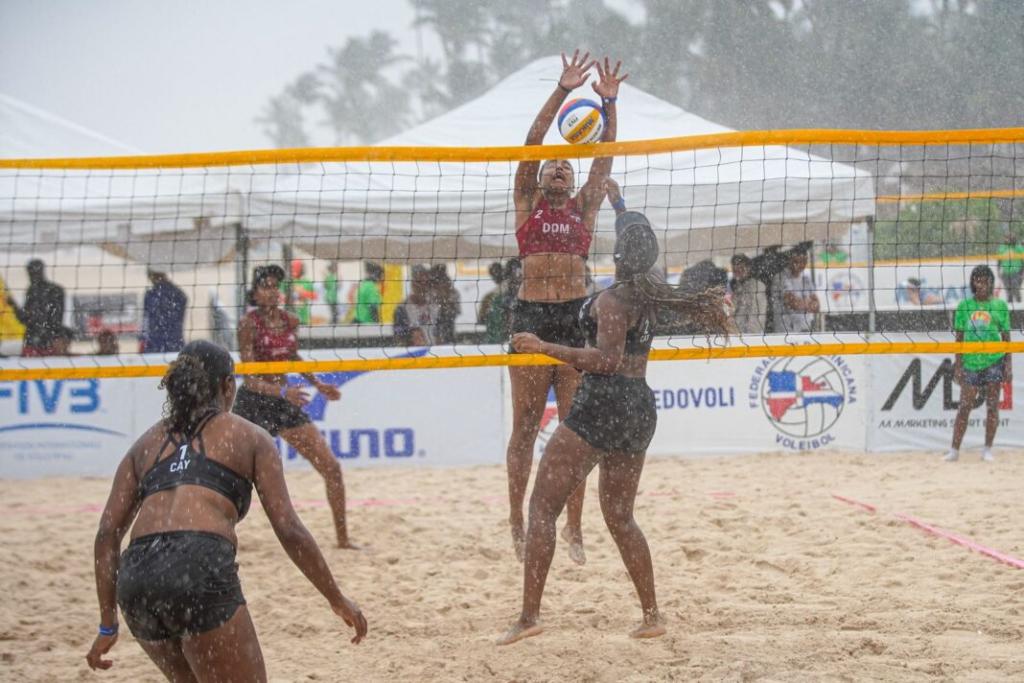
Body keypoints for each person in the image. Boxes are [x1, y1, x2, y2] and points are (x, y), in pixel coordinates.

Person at [498, 213, 729, 646]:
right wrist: (619, 202)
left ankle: (529, 617)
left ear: (619, 256)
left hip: (604, 403)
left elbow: (605, 361)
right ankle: (651, 615)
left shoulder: (611, 302)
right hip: (640, 406)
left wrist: (545, 347)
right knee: (621, 517)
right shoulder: (652, 294)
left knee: (542, 508)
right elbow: (636, 237)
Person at [85, 341, 366, 680]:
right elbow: (288, 528)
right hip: (196, 563)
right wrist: (336, 598)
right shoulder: (248, 435)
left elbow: (106, 535)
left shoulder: (144, 444)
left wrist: (107, 624)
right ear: (228, 386)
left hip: (138, 578)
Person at [505, 51, 627, 566]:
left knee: (575, 429)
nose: (557, 167)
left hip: (576, 318)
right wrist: (560, 89)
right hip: (532, 316)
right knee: (526, 428)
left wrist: (608, 102)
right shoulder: (526, 202)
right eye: (553, 165)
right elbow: (533, 143)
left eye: (565, 165)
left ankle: (574, 526)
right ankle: (516, 518)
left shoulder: (584, 207)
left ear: (572, 180)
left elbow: (606, 156)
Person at [233, 265, 355, 548]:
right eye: (266, 286)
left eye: (276, 286)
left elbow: (293, 356)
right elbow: (249, 379)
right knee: (233, 477)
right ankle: (218, 534)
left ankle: (343, 540)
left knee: (331, 468)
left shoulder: (290, 320)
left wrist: (318, 384)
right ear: (256, 293)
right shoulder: (248, 324)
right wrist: (283, 390)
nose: (273, 291)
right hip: (253, 403)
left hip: (282, 400)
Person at [945, 265, 1011, 463]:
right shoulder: (964, 306)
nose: (981, 284)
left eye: (985, 280)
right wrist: (958, 365)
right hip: (971, 362)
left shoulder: (999, 306)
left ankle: (987, 449)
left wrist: (1008, 365)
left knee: (992, 406)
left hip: (993, 360)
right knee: (965, 406)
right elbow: (959, 338)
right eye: (978, 280)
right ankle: (954, 451)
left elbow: (1007, 339)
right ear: (973, 283)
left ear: (991, 283)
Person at [8, 258, 65, 356]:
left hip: (40, 341)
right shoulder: (53, 289)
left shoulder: (42, 291)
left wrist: (13, 305)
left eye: (32, 272)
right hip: (44, 339)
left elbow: (26, 319)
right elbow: (27, 318)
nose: (31, 276)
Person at [140, 269, 187, 353]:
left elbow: (145, 322)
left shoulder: (151, 295)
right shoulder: (178, 294)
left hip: (155, 344)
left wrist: (142, 340)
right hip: (174, 343)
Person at [772, 248, 819, 333]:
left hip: (805, 330)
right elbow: (793, 303)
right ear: (789, 261)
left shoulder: (806, 280)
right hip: (786, 332)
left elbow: (817, 306)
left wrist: (802, 303)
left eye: (803, 261)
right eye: (796, 261)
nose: (799, 265)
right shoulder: (780, 278)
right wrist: (809, 303)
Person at [729, 254, 767, 333]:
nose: (738, 273)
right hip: (737, 334)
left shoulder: (757, 286)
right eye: (735, 270)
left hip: (750, 336)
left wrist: (750, 335)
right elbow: (732, 311)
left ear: (748, 268)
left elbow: (756, 315)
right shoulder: (736, 287)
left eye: (741, 269)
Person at [286, 260, 316, 325]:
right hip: (289, 316)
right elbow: (280, 295)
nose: (293, 270)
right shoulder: (287, 282)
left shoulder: (307, 282)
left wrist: (303, 293)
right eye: (292, 267)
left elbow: (314, 296)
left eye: (295, 267)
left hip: (303, 317)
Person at [996, 234, 1024, 304]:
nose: (1009, 240)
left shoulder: (1018, 248)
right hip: (1006, 273)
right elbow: (999, 261)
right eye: (1007, 238)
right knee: (1008, 292)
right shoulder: (1002, 248)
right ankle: (1010, 306)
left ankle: (1019, 305)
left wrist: (1022, 271)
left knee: (1016, 290)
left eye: (1011, 238)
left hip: (1016, 272)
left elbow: (1023, 260)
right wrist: (998, 270)